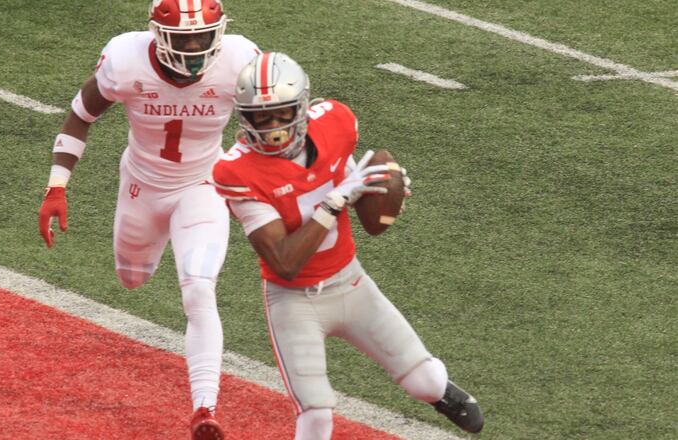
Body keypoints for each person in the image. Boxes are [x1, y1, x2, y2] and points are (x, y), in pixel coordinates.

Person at [211, 52, 484, 439]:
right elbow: (285, 262)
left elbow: (361, 198)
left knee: (424, 382)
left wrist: (378, 189)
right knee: (316, 410)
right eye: (260, 117)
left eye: (281, 114)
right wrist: (334, 202)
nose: (272, 127)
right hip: (294, 301)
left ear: (303, 107)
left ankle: (442, 393)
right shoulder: (237, 170)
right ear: (244, 117)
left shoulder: (334, 124)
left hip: (351, 282)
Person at [37, 1, 260, 438]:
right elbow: (81, 116)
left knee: (199, 289)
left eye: (203, 36)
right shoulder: (126, 59)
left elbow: (269, 126)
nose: (195, 48)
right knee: (132, 277)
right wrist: (57, 185)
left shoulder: (239, 59)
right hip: (142, 185)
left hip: (203, 185)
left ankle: (204, 408)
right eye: (184, 38)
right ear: (158, 35)